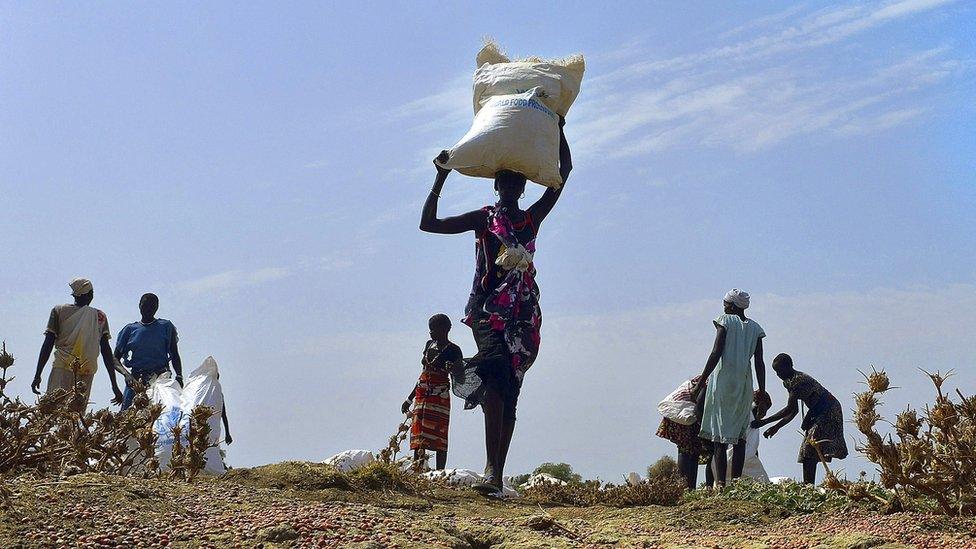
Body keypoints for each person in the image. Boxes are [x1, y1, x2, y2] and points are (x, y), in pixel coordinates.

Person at [419, 116, 572, 495]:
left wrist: (559, 127)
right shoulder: (484, 219)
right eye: (503, 181)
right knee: (497, 379)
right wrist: (441, 177)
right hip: (487, 313)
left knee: (510, 391)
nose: (509, 186)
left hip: (522, 316)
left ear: (522, 187)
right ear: (496, 185)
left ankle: (496, 475)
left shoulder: (530, 219)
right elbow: (429, 223)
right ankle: (491, 470)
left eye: (515, 182)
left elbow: (564, 172)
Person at [691, 289, 768, 488]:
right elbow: (760, 362)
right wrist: (761, 390)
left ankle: (721, 484)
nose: (724, 306)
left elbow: (716, 352)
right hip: (744, 384)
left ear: (732, 306)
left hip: (723, 383)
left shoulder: (724, 321)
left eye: (726, 303)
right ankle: (735, 484)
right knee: (740, 437)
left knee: (719, 438)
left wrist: (701, 382)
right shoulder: (755, 328)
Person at [32, 278, 125, 412]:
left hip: (72, 369)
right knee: (62, 412)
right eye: (91, 292)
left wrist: (38, 374)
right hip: (73, 368)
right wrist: (114, 385)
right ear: (86, 295)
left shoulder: (97, 316)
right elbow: (106, 351)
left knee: (65, 414)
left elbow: (48, 344)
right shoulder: (63, 311)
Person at [753, 353, 848, 484]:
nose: (778, 374)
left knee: (809, 448)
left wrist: (765, 422)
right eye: (776, 372)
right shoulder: (788, 382)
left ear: (789, 366)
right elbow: (794, 411)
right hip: (818, 411)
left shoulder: (798, 381)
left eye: (780, 370)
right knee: (808, 451)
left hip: (829, 411)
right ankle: (808, 485)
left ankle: (808, 485)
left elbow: (788, 409)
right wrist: (776, 427)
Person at [402, 314, 463, 470]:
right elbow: (423, 374)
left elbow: (461, 377)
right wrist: (409, 399)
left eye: (434, 329)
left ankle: (439, 473)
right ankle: (418, 471)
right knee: (419, 435)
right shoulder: (429, 345)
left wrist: (453, 369)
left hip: (439, 398)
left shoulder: (454, 351)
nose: (431, 332)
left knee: (439, 436)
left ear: (445, 329)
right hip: (421, 396)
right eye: (430, 329)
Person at [114, 293, 182, 411]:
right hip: (136, 380)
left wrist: (179, 375)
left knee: (167, 412)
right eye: (145, 306)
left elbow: (174, 353)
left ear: (157, 308)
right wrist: (126, 375)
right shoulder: (129, 330)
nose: (148, 309)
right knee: (127, 416)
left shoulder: (166, 326)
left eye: (152, 306)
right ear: (140, 306)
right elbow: (114, 359)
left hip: (161, 378)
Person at [656, 375, 712, 490]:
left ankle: (690, 488)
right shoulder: (712, 382)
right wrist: (704, 430)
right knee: (686, 450)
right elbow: (698, 408)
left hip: (690, 415)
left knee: (693, 451)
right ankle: (684, 488)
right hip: (683, 413)